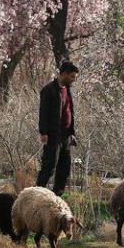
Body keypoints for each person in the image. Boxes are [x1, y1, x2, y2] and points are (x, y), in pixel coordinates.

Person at [37, 61, 78, 195]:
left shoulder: (67, 90)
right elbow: (43, 112)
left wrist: (72, 132)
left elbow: (69, 111)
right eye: (72, 77)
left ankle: (57, 197)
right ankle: (37, 195)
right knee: (49, 167)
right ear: (64, 74)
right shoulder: (49, 90)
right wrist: (43, 132)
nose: (73, 80)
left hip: (66, 135)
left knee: (64, 168)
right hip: (53, 135)